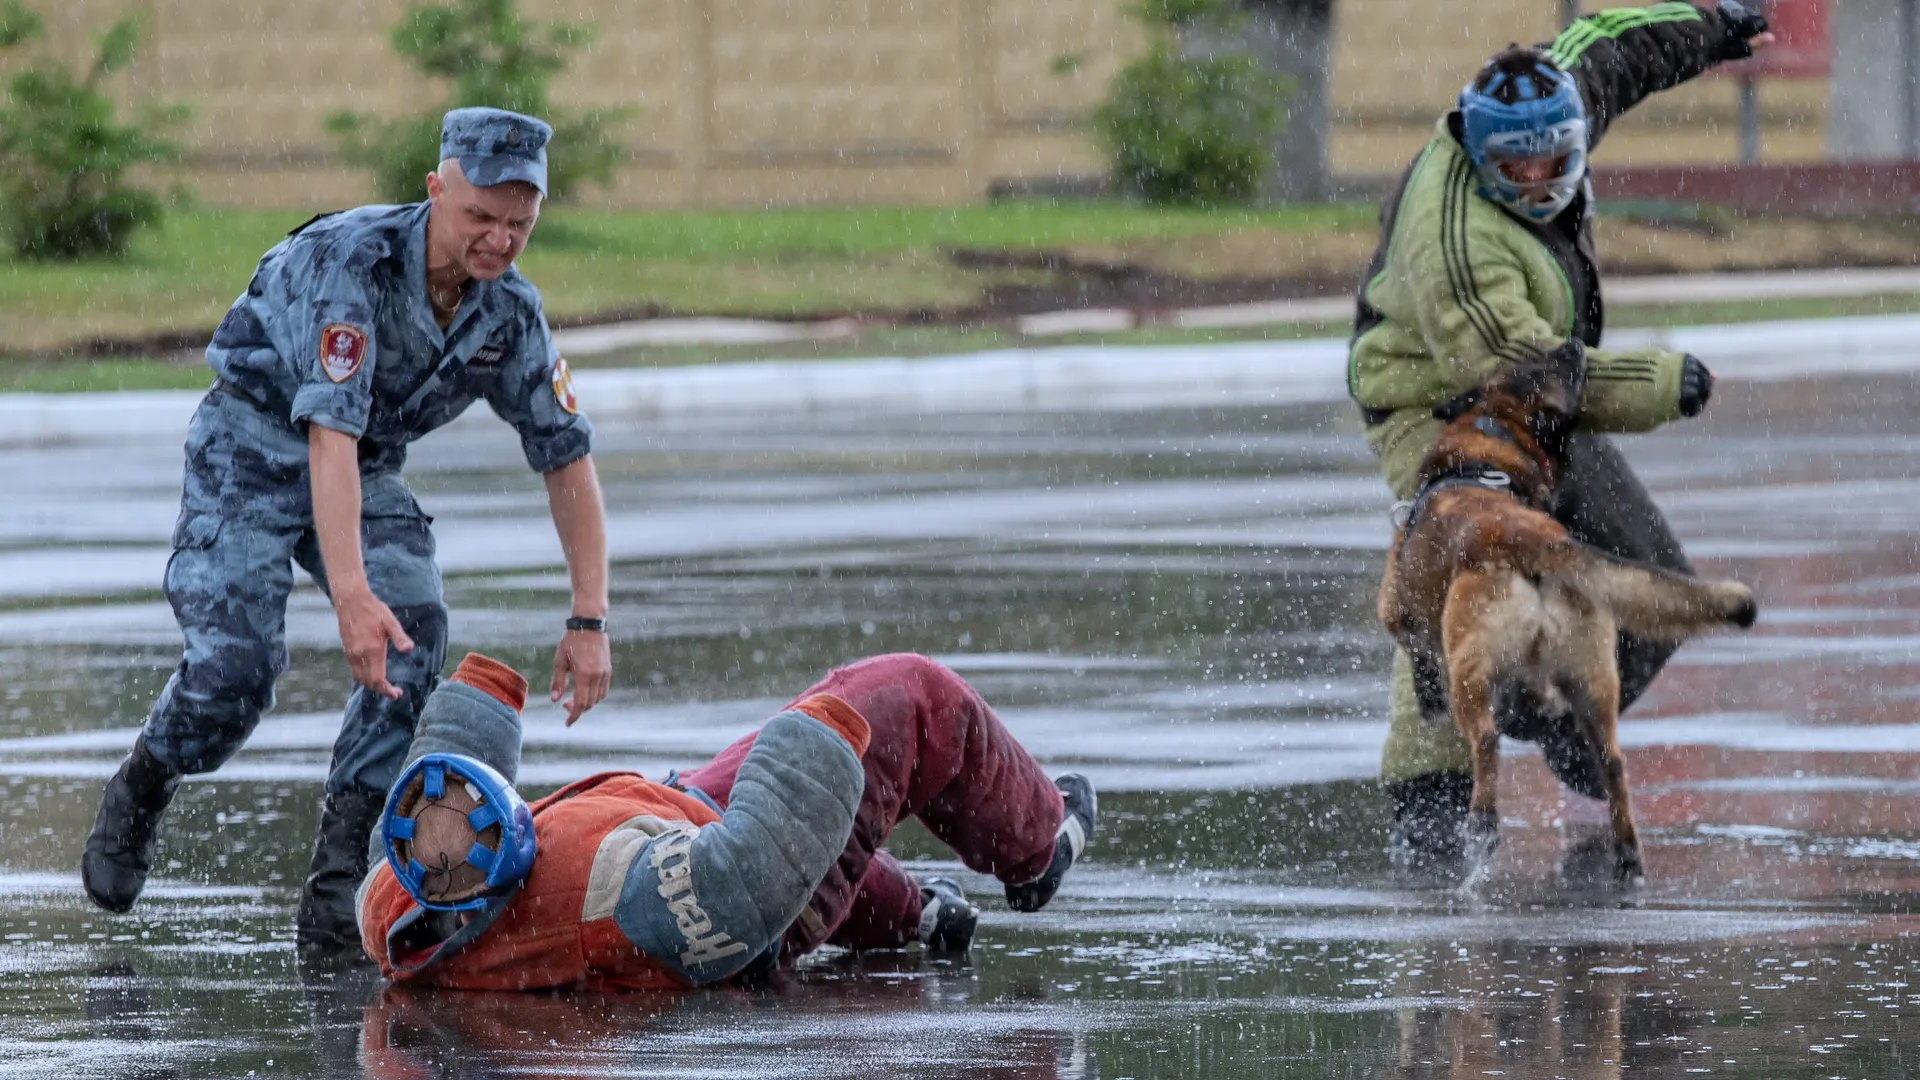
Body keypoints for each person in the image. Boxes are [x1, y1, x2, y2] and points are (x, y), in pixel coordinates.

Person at [81, 107, 613, 963]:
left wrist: (589, 618)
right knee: (235, 674)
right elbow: (325, 433)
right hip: (252, 448)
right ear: (436, 190)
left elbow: (566, 457)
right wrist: (350, 594)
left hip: (361, 463)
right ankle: (148, 779)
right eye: (480, 216)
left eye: (520, 224)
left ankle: (336, 883)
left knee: (414, 632)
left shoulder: (511, 314)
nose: (499, 240)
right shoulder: (351, 263)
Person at [1345, 2, 1774, 873]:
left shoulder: (1553, 94)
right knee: (1456, 563)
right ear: (1480, 148)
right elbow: (1519, 363)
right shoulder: (1457, 238)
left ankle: (1572, 724)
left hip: (1542, 407)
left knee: (1653, 573)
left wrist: (1713, 25)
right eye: (1517, 165)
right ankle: (1429, 794)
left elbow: (1608, 47)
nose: (1540, 177)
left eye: (1555, 158)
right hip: (1439, 397)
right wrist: (1662, 382)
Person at [356, 652, 1098, 989]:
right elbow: (742, 886)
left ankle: (918, 914)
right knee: (908, 697)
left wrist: (476, 699)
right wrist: (819, 741)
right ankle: (1038, 846)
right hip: (745, 907)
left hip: (676, 814)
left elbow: (420, 823)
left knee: (779, 804)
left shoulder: (398, 898)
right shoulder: (594, 893)